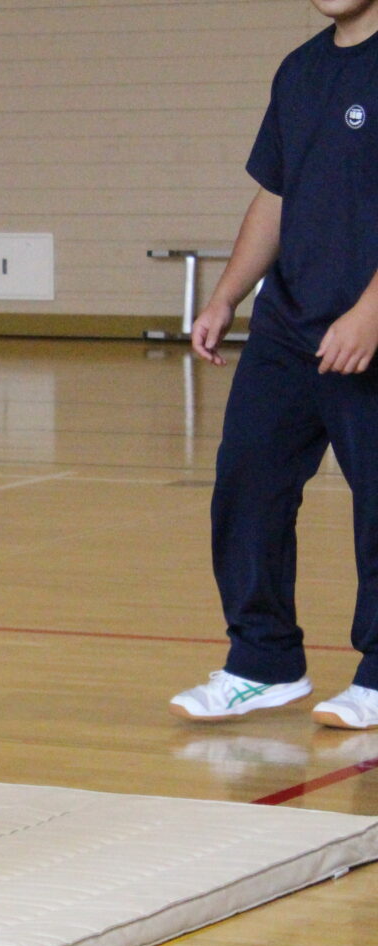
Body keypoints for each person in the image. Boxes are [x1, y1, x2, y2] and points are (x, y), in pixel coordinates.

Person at [172, 0, 378, 729]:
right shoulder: (301, 70)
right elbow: (275, 196)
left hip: (369, 322)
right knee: (248, 481)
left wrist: (370, 312)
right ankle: (263, 663)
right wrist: (227, 296)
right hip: (289, 325)